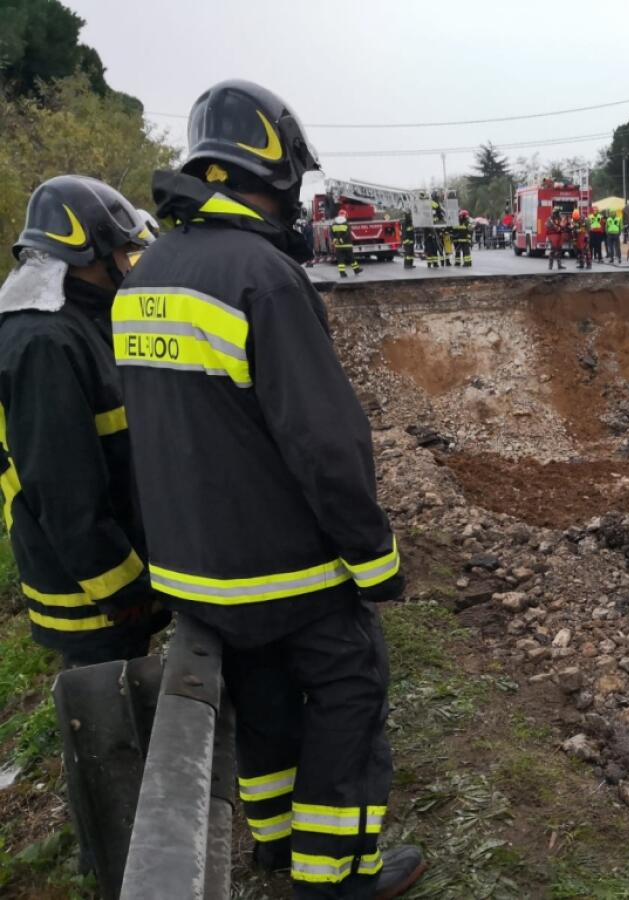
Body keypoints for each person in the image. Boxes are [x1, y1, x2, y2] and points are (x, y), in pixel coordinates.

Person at [113, 79, 425, 898]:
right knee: (349, 698)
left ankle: (277, 849)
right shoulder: (263, 277)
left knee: (264, 707)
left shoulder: (145, 274)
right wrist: (374, 557)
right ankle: (335, 880)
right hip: (284, 571)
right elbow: (325, 444)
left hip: (193, 574)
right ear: (275, 168)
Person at [0, 175, 168, 668]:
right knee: (109, 722)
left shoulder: (76, 319)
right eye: (122, 251)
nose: (128, 264)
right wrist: (121, 587)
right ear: (88, 254)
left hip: (108, 586)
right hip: (93, 599)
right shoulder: (45, 341)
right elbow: (64, 486)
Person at [330, 210, 361, 278]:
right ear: (346, 215)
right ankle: (356, 270)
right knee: (351, 258)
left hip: (338, 246)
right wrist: (342, 239)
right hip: (347, 245)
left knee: (340, 260)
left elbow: (331, 233)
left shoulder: (334, 224)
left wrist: (335, 240)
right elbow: (347, 234)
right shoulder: (346, 223)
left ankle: (342, 273)